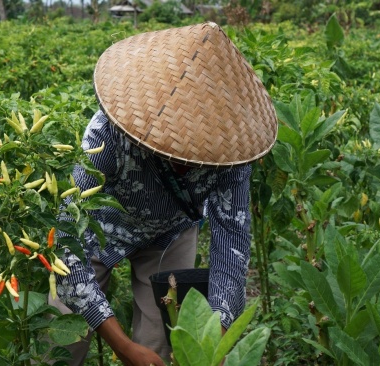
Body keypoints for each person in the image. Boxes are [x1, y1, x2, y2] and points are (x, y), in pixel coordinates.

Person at [50, 22, 278, 366]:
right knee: (62, 339)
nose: (184, 161)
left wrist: (212, 333)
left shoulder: (233, 150)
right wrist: (121, 346)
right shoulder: (109, 133)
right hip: (99, 226)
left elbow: (231, 244)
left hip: (169, 232)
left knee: (161, 344)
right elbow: (68, 243)